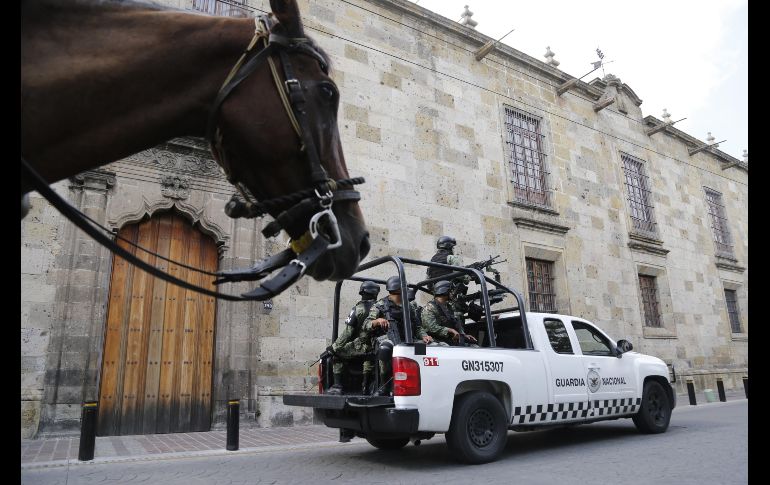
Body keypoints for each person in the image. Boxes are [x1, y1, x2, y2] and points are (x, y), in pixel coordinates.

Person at [362, 275, 433, 395]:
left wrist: (424, 336)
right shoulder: (380, 305)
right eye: (404, 287)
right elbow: (366, 324)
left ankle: (424, 382)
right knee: (385, 348)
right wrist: (377, 321)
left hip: (406, 341)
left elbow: (417, 327)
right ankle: (384, 386)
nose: (407, 289)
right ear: (397, 289)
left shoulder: (409, 306)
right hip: (386, 341)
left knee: (427, 349)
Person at [325, 281, 380, 395]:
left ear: (362, 292)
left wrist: (334, 347)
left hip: (363, 345)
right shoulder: (381, 307)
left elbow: (348, 333)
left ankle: (337, 386)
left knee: (337, 353)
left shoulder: (358, 309)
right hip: (377, 346)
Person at [421, 280, 478, 346]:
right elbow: (431, 328)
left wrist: (463, 335)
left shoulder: (449, 307)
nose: (453, 293)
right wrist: (449, 330)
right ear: (444, 291)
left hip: (449, 340)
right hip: (434, 340)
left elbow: (454, 323)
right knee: (445, 347)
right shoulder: (430, 308)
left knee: (474, 346)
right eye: (451, 291)